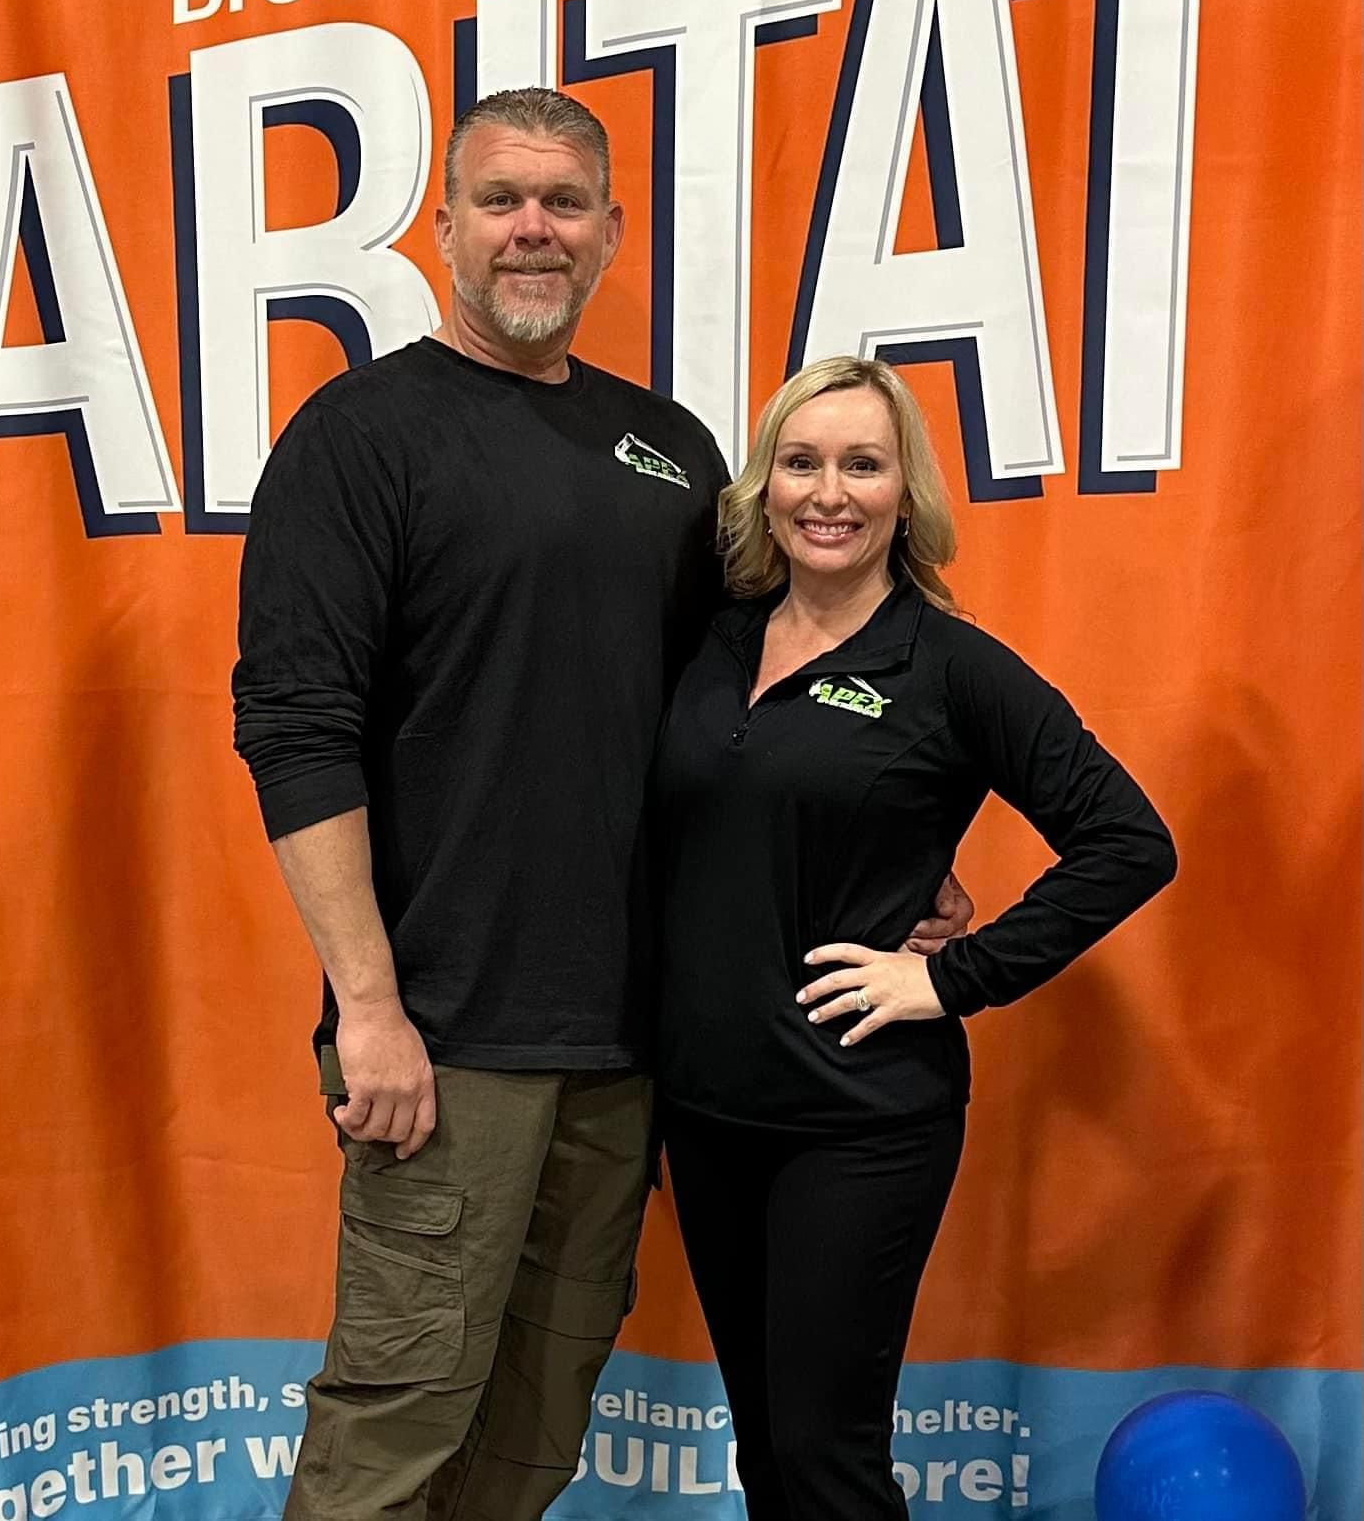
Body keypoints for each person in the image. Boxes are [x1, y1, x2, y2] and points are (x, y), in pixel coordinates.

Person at [232, 90, 971, 1521]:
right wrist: (367, 1004)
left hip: (639, 1040)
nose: (530, 229)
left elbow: (765, 698)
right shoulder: (359, 435)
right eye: (499, 198)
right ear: (439, 224)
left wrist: (900, 853)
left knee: (531, 1428)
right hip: (447, 1034)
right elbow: (296, 731)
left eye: (563, 203)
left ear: (609, 232)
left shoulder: (670, 451)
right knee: (396, 1423)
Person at [650, 354, 1178, 1519]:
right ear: (763, 486)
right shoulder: (714, 638)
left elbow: (1126, 841)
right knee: (768, 1458)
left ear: (904, 492)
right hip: (704, 1112)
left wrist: (952, 977)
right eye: (799, 462)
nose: (826, 491)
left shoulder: (946, 665)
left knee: (825, 1460)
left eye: (860, 463)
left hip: (857, 1120)